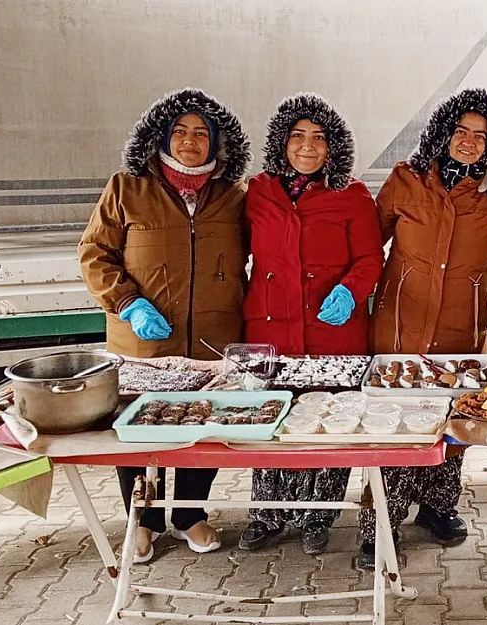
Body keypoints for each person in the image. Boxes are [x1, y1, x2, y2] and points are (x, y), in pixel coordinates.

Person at [78, 88, 251, 562]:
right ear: (161, 136)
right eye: (180, 131)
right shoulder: (127, 187)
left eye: (202, 133)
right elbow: (94, 253)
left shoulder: (235, 195)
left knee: (205, 427)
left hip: (212, 344)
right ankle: (143, 521)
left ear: (219, 142)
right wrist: (127, 301)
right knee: (138, 429)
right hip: (142, 340)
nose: (190, 141)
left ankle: (190, 515)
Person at [360, 88, 487, 569]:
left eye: (481, 136)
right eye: (461, 131)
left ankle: (437, 507)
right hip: (400, 324)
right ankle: (379, 523)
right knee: (392, 426)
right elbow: (367, 244)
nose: (469, 142)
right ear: (442, 132)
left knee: (452, 423)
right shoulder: (406, 180)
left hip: (461, 330)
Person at [238, 94, 383, 555]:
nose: (307, 146)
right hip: (271, 331)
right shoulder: (257, 191)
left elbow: (370, 258)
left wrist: (350, 290)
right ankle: (268, 512)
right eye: (297, 136)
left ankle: (318, 515)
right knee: (274, 419)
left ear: (333, 146)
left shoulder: (353, 193)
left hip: (332, 331)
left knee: (330, 421)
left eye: (319, 138)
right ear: (282, 141)